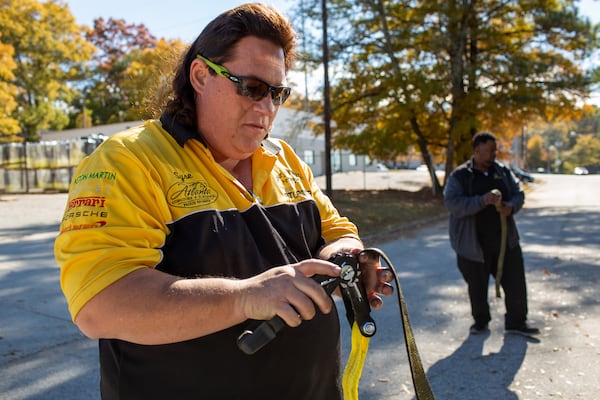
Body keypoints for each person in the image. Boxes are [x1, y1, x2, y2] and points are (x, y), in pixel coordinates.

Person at [54, 3, 392, 399]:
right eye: (252, 88)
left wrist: (348, 260)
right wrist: (246, 297)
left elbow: (337, 232)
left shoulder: (284, 159)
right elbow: (100, 303)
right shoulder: (129, 160)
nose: (266, 108)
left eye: (277, 93)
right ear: (200, 75)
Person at [443, 131, 539, 336]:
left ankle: (516, 322)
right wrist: (482, 200)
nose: (494, 154)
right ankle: (480, 322)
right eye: (490, 150)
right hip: (473, 245)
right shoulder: (460, 176)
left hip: (505, 242)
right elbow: (453, 204)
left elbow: (519, 193)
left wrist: (510, 207)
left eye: (495, 150)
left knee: (515, 283)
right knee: (477, 288)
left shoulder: (502, 171)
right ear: (477, 150)